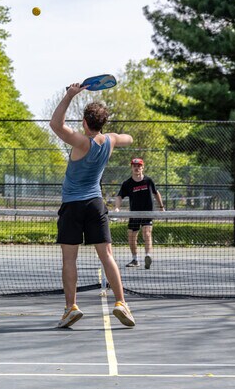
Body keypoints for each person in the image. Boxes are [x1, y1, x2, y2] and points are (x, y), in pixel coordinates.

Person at [50, 83, 135, 329]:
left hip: (73, 206)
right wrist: (116, 137)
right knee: (107, 255)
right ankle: (121, 303)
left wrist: (69, 94)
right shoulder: (109, 141)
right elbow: (128, 138)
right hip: (96, 205)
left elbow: (55, 125)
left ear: (85, 123)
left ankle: (70, 308)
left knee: (69, 259)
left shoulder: (81, 143)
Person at [114, 158, 165, 269]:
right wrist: (117, 208)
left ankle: (148, 256)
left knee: (147, 233)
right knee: (131, 236)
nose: (137, 168)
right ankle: (135, 259)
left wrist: (161, 207)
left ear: (142, 167)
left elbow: (156, 193)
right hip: (134, 214)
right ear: (132, 168)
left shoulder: (148, 181)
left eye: (139, 166)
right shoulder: (127, 183)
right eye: (134, 166)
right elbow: (119, 196)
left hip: (147, 213)